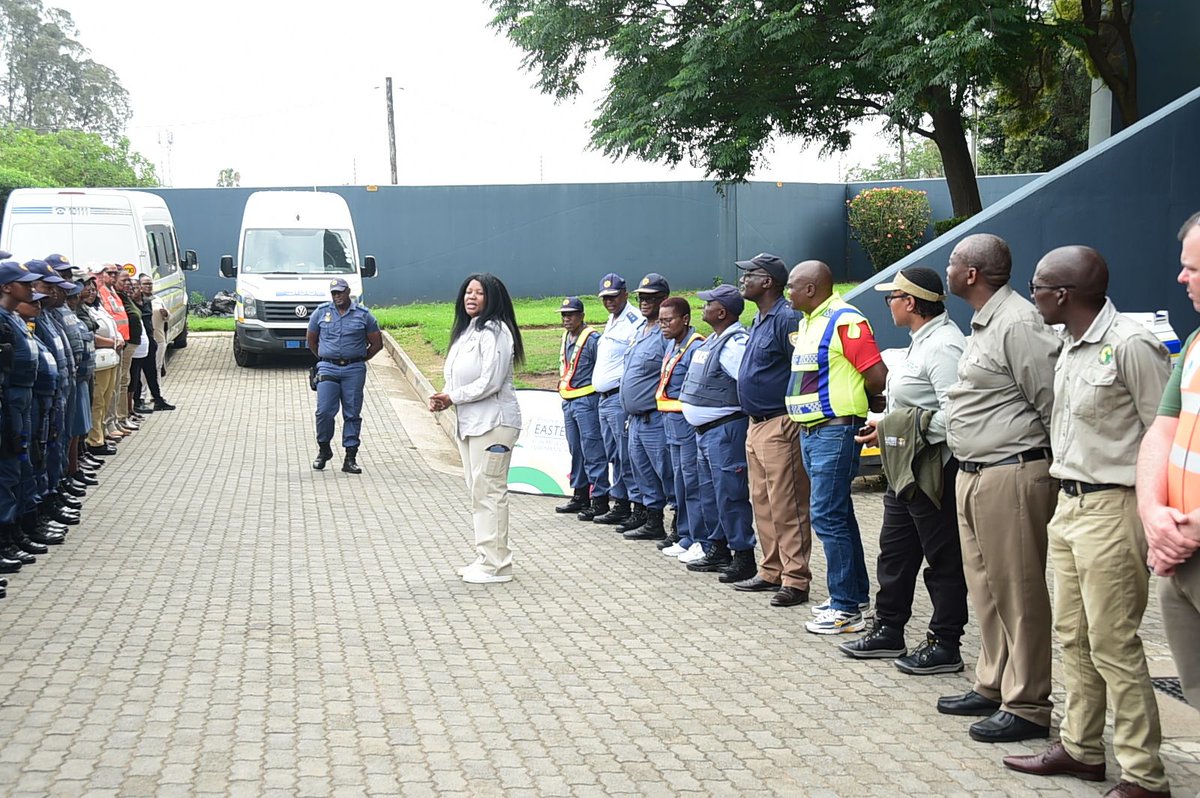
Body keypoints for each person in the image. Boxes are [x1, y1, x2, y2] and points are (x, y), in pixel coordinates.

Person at [1002, 247, 1172, 798]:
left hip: (1114, 508)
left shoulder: (1131, 345)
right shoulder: (1069, 346)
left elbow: (1163, 436)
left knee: (1114, 644)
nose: (1033, 297)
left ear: (1064, 294)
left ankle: (1144, 776)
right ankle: (1081, 749)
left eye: (1038, 288)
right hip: (1069, 505)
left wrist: (1159, 518)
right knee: (1073, 637)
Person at [937, 233, 1061, 744]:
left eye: (952, 263)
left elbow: (1054, 400)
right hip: (975, 474)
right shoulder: (986, 322)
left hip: (1012, 473)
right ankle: (992, 683)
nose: (946, 270)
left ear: (971, 274)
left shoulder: (1017, 322)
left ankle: (1028, 703)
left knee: (1019, 591)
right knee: (987, 590)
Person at [842, 267, 968, 672]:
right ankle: (889, 629)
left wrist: (897, 426)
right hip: (904, 468)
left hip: (934, 469)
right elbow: (917, 408)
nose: (890, 305)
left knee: (942, 559)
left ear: (910, 302)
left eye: (891, 298)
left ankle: (945, 643)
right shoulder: (919, 343)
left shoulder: (945, 347)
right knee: (895, 553)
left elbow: (955, 419)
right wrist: (886, 425)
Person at [785, 260, 886, 634]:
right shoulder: (809, 321)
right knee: (837, 514)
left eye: (793, 286)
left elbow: (877, 375)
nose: (788, 292)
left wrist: (866, 399)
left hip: (835, 432)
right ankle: (854, 595)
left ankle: (845, 609)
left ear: (811, 289)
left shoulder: (845, 321)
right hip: (812, 432)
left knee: (827, 515)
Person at [709, 253, 812, 607]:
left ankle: (795, 579)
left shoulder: (786, 319)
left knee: (787, 505)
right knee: (763, 503)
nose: (743, 281)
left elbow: (800, 371)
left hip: (779, 423)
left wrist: (793, 419)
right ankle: (771, 570)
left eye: (749, 275)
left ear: (767, 281)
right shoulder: (760, 318)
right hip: (755, 426)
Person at [1137, 210, 1200, 713]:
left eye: (1194, 269)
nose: (1181, 278)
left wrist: (1186, 529)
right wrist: (1153, 516)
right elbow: (1161, 431)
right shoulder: (1196, 344)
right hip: (1179, 551)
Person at [428, 273, 524, 584]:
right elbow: (457, 376)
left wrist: (452, 397)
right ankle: (486, 556)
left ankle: (497, 565)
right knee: (477, 491)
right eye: (468, 292)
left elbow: (490, 382)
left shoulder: (496, 332)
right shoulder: (469, 330)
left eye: (479, 293)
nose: (471, 297)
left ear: (492, 298)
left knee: (490, 491)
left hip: (494, 424)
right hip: (470, 424)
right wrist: (446, 396)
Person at [678, 285, 756, 574]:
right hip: (706, 432)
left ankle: (743, 556)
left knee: (730, 494)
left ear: (721, 312)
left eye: (708, 304)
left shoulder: (735, 344)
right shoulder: (713, 340)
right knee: (709, 493)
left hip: (725, 430)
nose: (703, 308)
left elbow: (748, 383)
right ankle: (718, 549)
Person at [618, 273, 675, 541]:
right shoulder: (640, 329)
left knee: (667, 472)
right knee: (641, 470)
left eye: (650, 298)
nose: (643, 302)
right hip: (636, 418)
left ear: (664, 300)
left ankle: (680, 526)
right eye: (641, 297)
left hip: (655, 418)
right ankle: (653, 521)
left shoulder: (667, 334)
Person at [306, 278, 383, 474]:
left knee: (352, 413)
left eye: (340, 292)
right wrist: (325, 357)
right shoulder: (321, 312)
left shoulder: (364, 315)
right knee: (324, 411)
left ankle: (350, 457)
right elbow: (312, 340)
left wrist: (359, 359)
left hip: (353, 369)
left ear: (348, 291)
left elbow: (377, 343)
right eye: (334, 293)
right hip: (328, 368)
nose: (337, 296)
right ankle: (324, 450)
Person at [653, 297, 709, 557]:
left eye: (668, 320)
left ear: (685, 319)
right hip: (670, 422)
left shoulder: (696, 346)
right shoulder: (672, 344)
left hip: (685, 423)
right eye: (661, 320)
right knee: (679, 482)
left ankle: (701, 538)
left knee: (692, 482)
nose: (663, 325)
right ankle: (686, 535)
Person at [0, 259, 43, 573]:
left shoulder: (12, 317)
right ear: (6, 287)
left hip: (19, 398)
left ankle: (15, 532)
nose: (31, 288)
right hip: (11, 399)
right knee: (9, 469)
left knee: (20, 463)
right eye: (24, 283)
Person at [590, 273, 641, 526]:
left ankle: (634, 506)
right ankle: (620, 502)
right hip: (604, 399)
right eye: (605, 298)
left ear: (625, 294)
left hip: (618, 399)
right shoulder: (613, 318)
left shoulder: (634, 321)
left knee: (625, 454)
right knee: (613, 454)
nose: (609, 301)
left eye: (613, 296)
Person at [554, 297, 609, 517]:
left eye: (571, 314)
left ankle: (600, 499)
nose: (567, 318)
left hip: (587, 401)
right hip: (569, 401)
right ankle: (580, 495)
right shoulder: (567, 336)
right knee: (576, 450)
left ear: (582, 316)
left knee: (593, 450)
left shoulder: (593, 338)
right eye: (564, 315)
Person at [130, 274, 175, 413]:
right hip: (139, 342)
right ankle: (139, 400)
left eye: (150, 284)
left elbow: (165, 318)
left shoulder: (151, 301)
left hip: (154, 339)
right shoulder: (131, 305)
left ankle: (157, 399)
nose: (138, 290)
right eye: (136, 287)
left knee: (154, 370)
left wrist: (165, 314)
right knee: (138, 373)